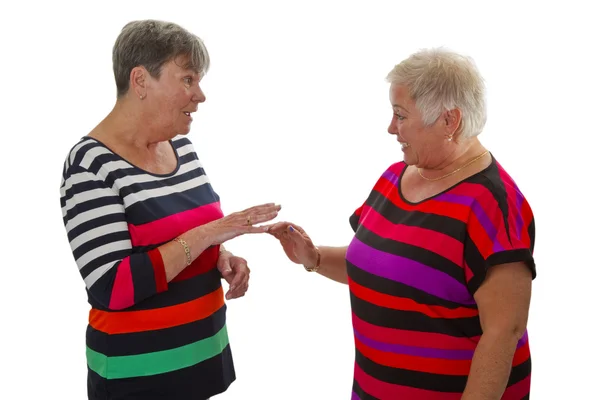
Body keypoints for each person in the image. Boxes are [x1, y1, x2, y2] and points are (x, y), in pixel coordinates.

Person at [268, 48, 536, 399]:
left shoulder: (493, 206)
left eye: (400, 115)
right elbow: (384, 269)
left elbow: (504, 332)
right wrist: (314, 258)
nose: (391, 128)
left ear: (449, 121)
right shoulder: (396, 177)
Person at [59, 20, 280, 400]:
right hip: (138, 379)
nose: (201, 96)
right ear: (141, 81)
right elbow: (112, 286)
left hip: (202, 363)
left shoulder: (182, 150)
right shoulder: (90, 164)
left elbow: (184, 235)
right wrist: (211, 234)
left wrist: (221, 255)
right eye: (188, 80)